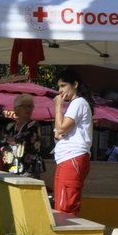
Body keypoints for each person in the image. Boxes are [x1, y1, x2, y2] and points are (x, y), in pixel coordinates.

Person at [51, 68, 93, 214]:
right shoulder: (76, 104)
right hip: (67, 158)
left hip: (72, 157)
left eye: (63, 86)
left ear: (75, 84)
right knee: (62, 203)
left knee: (66, 206)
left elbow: (61, 129)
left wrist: (57, 107)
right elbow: (60, 132)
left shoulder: (78, 103)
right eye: (59, 87)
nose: (60, 91)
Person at [0, 93, 46, 177]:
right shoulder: (10, 126)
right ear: (16, 109)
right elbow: (3, 142)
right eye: (25, 106)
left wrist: (14, 141)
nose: (28, 109)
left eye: (31, 107)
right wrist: (14, 142)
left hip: (29, 168)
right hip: (12, 166)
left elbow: (27, 140)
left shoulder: (34, 125)